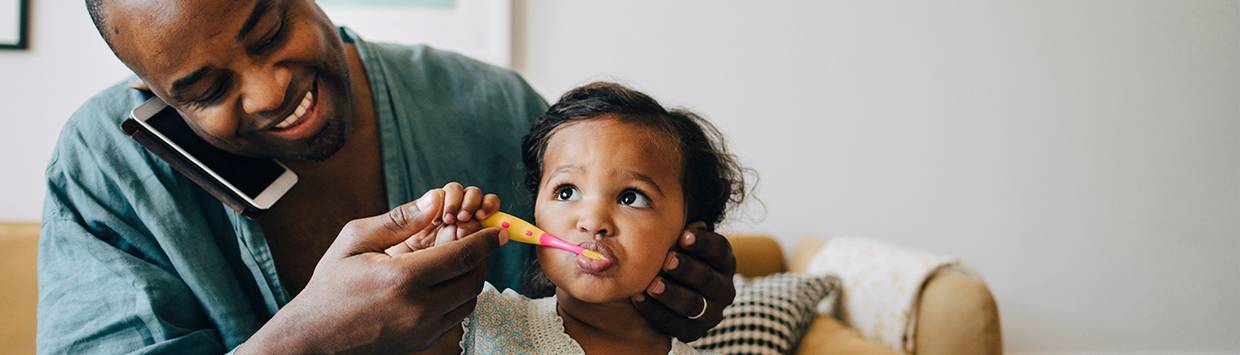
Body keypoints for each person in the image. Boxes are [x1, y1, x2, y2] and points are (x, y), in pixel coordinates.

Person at [37, 0, 736, 353]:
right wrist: (306, 341)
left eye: (269, 29)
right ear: (148, 86)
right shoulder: (107, 175)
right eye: (205, 88)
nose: (269, 88)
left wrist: (686, 283)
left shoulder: (492, 107)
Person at [399, 82, 745, 354]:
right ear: (535, 214)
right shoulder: (475, 325)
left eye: (631, 197)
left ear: (689, 237)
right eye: (566, 192)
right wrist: (411, 264)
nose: (592, 220)